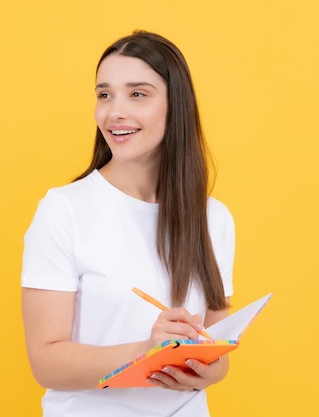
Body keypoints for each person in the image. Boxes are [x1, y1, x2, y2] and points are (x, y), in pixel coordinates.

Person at [21, 30, 235, 417]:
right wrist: (147, 351)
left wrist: (205, 367)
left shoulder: (213, 218)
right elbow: (45, 362)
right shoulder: (63, 210)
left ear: (176, 106)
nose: (113, 111)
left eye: (137, 94)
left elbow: (219, 353)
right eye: (104, 94)